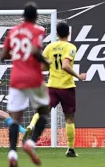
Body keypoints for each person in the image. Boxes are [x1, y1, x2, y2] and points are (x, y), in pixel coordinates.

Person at [24, 22, 86, 157]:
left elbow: (43, 67)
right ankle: (70, 149)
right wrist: (79, 76)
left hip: (52, 85)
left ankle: (31, 125)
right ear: (68, 33)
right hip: (67, 87)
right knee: (69, 118)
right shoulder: (70, 47)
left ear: (56, 34)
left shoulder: (50, 47)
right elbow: (65, 65)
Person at [1, 2, 50, 167]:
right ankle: (31, 143)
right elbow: (36, 50)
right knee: (43, 112)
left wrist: (17, 54)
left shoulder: (13, 31)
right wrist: (45, 62)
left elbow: (3, 55)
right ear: (36, 17)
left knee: (15, 119)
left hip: (16, 79)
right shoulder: (37, 31)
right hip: (33, 78)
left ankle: (12, 152)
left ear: (23, 16)